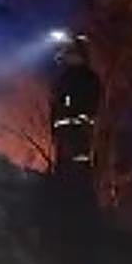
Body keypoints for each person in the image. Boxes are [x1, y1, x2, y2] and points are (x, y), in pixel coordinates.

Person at [48, 32, 102, 187]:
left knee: (78, 171)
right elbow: (56, 106)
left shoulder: (85, 78)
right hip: (68, 134)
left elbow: (92, 104)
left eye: (68, 52)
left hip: (79, 134)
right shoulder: (66, 78)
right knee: (67, 172)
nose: (64, 56)